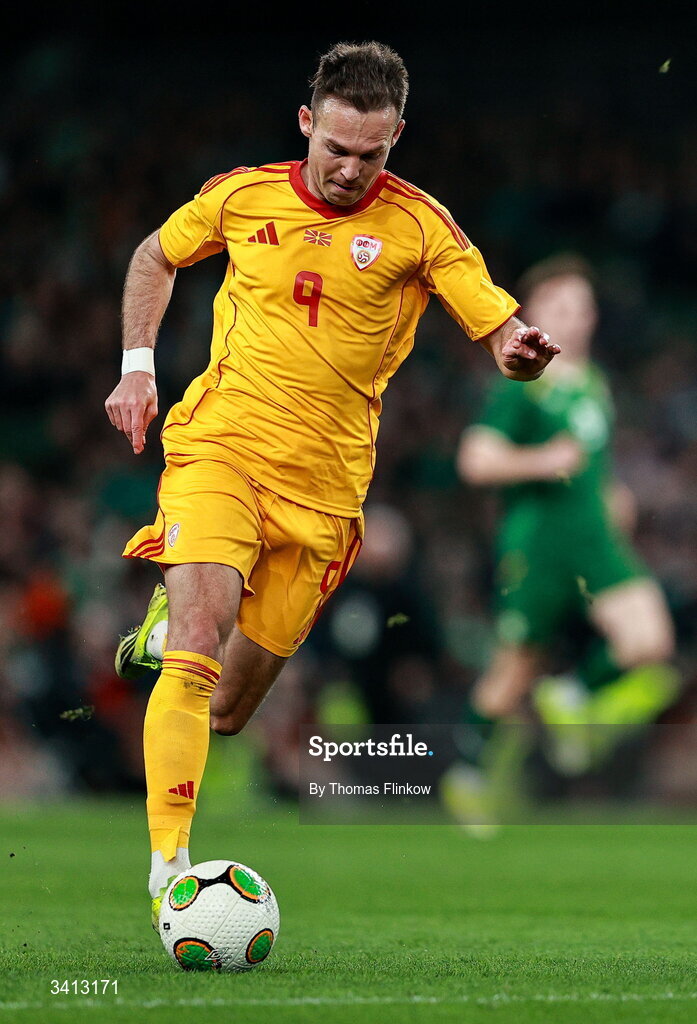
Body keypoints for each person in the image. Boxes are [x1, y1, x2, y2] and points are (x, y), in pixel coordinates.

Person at [104, 40, 559, 926]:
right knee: (197, 641)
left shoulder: (420, 225)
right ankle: (170, 871)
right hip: (222, 449)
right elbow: (155, 257)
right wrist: (136, 367)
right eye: (336, 148)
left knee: (226, 709)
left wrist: (515, 350)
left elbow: (494, 319)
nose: (350, 170)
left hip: (325, 494)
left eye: (370, 154)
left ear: (395, 139)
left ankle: (167, 636)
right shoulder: (241, 196)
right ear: (307, 123)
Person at [445, 254, 677, 822]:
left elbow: (591, 459)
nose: (576, 318)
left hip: (593, 537)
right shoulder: (522, 383)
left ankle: (571, 698)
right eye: (562, 307)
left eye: (583, 307)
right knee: (514, 669)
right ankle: (467, 776)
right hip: (538, 544)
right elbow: (475, 460)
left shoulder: (594, 383)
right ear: (537, 314)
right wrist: (542, 460)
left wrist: (612, 495)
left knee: (649, 640)